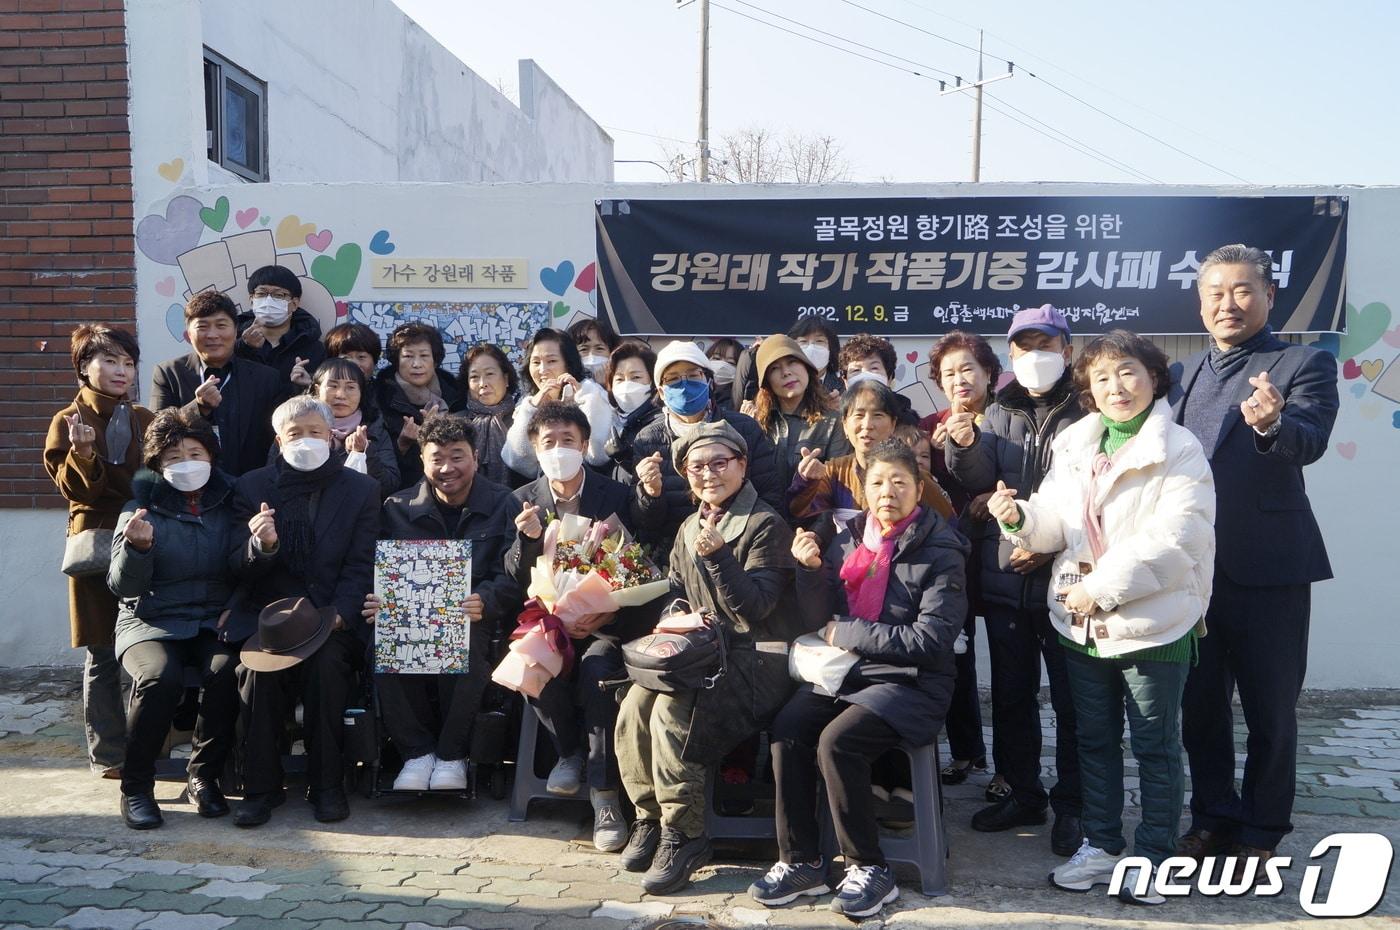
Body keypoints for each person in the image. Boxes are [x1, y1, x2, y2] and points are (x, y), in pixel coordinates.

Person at [987, 331, 1215, 904]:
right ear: (1087, 387)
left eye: (1128, 372)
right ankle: (1103, 844)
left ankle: (1156, 855)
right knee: (1093, 740)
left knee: (1156, 746)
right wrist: (1017, 517)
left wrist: (1101, 589)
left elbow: (1178, 540)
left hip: (1154, 623)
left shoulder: (1180, 446)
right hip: (1083, 622)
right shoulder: (1077, 444)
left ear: (1154, 377)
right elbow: (1055, 522)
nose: (1116, 386)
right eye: (1103, 377)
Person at [1171, 244, 1339, 869]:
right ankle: (1211, 816)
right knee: (1201, 707)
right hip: (1196, 573)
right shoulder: (1183, 375)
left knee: (1272, 710)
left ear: (1270, 297)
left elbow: (1311, 440)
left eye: (1243, 291)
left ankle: (1262, 829)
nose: (1228, 303)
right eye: (1216, 292)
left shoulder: (1301, 363)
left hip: (1271, 570)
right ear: (1201, 302)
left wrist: (1271, 424)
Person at [750, 439, 968, 918]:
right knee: (787, 729)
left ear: (919, 487)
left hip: (913, 682)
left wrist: (849, 633)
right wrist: (809, 571)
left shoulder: (942, 550)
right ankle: (801, 860)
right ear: (863, 490)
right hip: (850, 673)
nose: (888, 492)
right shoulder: (849, 535)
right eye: (877, 483)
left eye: (900, 482)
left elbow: (930, 640)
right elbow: (818, 615)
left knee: (838, 742)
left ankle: (869, 866)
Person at [617, 421, 809, 895]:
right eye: (697, 466)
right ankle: (651, 816)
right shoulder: (688, 525)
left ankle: (686, 833)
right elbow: (678, 593)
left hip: (757, 663)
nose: (709, 474)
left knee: (669, 710)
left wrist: (722, 557)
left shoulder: (765, 524)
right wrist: (676, 619)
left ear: (743, 465)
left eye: (720, 463)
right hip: (702, 657)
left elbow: (757, 609)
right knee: (634, 705)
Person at [945, 303, 1085, 856]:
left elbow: (1096, 498)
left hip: (1067, 579)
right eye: (1024, 347)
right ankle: (1024, 792)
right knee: (1011, 693)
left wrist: (1048, 547)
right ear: (1011, 355)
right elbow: (983, 482)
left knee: (1074, 701)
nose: (1035, 357)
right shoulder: (998, 410)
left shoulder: (1088, 408)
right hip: (1006, 577)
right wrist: (963, 447)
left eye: (1046, 345)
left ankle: (1075, 803)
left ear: (1067, 350)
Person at [226, 396, 380, 827]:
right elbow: (236, 565)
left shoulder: (361, 489)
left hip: (331, 617)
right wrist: (263, 546)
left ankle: (326, 785)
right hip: (271, 621)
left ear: (333, 436)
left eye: (315, 432)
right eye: (295, 434)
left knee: (328, 668)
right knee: (256, 675)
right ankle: (260, 788)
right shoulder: (253, 487)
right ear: (279, 440)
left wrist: (340, 615)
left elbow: (362, 563)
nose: (306, 441)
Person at [506, 402, 644, 852]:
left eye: (569, 441)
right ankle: (569, 752)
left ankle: (605, 798)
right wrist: (526, 542)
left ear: (585, 444)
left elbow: (634, 568)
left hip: (606, 624)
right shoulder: (522, 499)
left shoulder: (615, 494)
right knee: (529, 661)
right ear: (535, 450)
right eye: (549, 443)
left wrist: (602, 613)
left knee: (596, 672)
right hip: (548, 621)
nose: (560, 450)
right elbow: (511, 574)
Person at [363, 414, 521, 795]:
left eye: (457, 457)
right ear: (422, 461)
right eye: (437, 458)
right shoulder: (397, 507)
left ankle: (452, 755)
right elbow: (375, 567)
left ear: (476, 455)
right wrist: (376, 599)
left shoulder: (505, 504)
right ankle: (417, 753)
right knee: (381, 641)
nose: (447, 468)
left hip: (475, 617)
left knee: (464, 641)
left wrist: (487, 598)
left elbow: (515, 573)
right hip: (411, 616)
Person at [107, 410, 240, 829]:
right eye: (173, 458)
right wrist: (138, 550)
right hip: (148, 619)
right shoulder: (140, 509)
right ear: (157, 466)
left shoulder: (233, 502)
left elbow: (246, 566)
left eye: (194, 453)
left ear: (212, 457)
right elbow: (120, 585)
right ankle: (137, 786)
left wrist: (237, 601)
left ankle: (204, 775)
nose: (186, 464)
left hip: (210, 618)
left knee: (228, 671)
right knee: (158, 677)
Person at [45, 324, 155, 778]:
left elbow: (155, 481)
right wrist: (85, 453)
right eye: (109, 361)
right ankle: (108, 753)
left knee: (147, 646)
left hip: (142, 539)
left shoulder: (145, 419)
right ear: (84, 367)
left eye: (128, 363)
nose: (120, 371)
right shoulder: (68, 420)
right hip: (94, 544)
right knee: (103, 651)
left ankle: (149, 742)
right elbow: (77, 491)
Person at [923, 331, 1002, 791]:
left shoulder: (1007, 420)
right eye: (948, 373)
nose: (959, 379)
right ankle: (967, 751)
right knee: (959, 656)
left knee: (1014, 666)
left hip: (1010, 553)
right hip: (954, 558)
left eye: (967, 368)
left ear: (989, 373)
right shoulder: (930, 426)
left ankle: (1012, 770)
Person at [630, 341, 783, 563]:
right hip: (678, 560)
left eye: (693, 375)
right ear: (661, 392)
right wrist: (650, 494)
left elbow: (770, 497)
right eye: (673, 379)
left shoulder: (744, 429)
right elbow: (645, 525)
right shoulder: (647, 440)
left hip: (740, 553)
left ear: (708, 381)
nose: (684, 385)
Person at [151, 291, 283, 477]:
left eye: (221, 326)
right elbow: (156, 435)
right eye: (202, 327)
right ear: (189, 333)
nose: (212, 335)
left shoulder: (267, 378)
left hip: (249, 487)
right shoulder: (168, 373)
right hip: (189, 487)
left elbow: (277, 440)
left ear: (236, 330)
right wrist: (197, 408)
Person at [788, 381, 954, 526]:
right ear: (845, 424)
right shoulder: (834, 472)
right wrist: (806, 481)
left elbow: (949, 527)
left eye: (878, 415)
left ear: (893, 424)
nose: (867, 425)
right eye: (859, 415)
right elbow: (800, 513)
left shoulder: (912, 475)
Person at [745, 335, 850, 493]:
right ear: (766, 382)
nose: (786, 372)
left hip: (817, 515)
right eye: (774, 368)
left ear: (806, 367)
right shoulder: (755, 424)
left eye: (792, 362)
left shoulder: (833, 422)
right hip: (765, 515)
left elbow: (840, 486)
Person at [503, 328, 614, 477]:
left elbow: (599, 455)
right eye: (536, 362)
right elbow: (516, 460)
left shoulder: (591, 395)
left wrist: (586, 398)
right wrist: (531, 408)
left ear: (568, 364)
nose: (542, 370)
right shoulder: (526, 405)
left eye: (552, 361)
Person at [373, 322, 467, 489]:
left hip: (450, 489)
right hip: (400, 494)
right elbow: (377, 462)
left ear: (435, 361)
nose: (417, 364)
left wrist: (438, 430)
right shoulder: (379, 396)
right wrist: (402, 444)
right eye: (408, 356)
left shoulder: (455, 395)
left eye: (424, 356)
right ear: (396, 361)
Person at [306, 358, 400, 498]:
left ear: (361, 393)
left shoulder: (375, 429)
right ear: (317, 389)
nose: (341, 395)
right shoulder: (298, 426)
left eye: (350, 387)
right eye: (333, 386)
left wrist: (365, 453)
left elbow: (390, 485)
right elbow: (275, 476)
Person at [236, 264, 327, 389]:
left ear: (294, 304)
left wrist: (305, 385)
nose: (268, 300)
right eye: (261, 294)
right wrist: (243, 346)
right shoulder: (232, 339)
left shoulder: (314, 349)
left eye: (278, 295)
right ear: (252, 300)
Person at [731, 319, 842, 410]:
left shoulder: (841, 389)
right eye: (803, 342)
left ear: (831, 348)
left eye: (819, 341)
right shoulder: (766, 389)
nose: (811, 348)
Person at [461, 343, 524, 488]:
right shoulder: (458, 423)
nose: (483, 383)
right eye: (474, 377)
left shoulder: (522, 419)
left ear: (506, 379)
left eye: (489, 374)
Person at [602, 341, 661, 481]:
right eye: (619, 379)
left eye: (636, 377)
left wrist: (626, 459)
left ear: (653, 382)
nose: (627, 385)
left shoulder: (661, 424)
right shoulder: (614, 422)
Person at [569, 316, 621, 384]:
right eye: (583, 349)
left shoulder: (624, 381)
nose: (592, 356)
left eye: (599, 348)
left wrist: (606, 386)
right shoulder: (566, 383)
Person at [706, 338, 745, 411]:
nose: (722, 365)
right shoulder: (697, 393)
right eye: (717, 358)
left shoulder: (741, 402)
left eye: (730, 362)